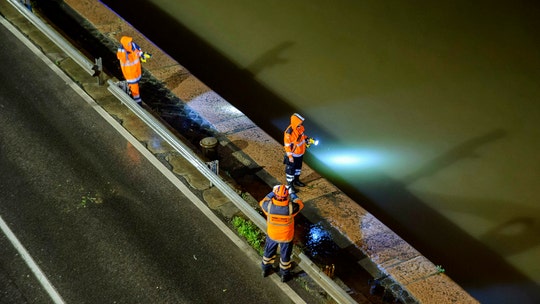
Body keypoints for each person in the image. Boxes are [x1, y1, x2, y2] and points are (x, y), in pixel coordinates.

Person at [260, 184, 304, 282]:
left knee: (268, 252)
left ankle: (265, 270)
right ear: (286, 196)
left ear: (275, 195)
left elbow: (262, 201)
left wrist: (272, 192)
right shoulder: (291, 208)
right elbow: (300, 204)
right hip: (286, 237)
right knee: (285, 256)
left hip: (272, 235)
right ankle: (284, 275)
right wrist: (293, 194)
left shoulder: (268, 206)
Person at [116, 36, 150, 104]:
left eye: (130, 42)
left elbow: (137, 52)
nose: (130, 43)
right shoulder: (123, 53)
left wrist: (142, 54)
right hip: (130, 74)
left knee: (135, 86)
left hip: (136, 71)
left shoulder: (133, 46)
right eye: (128, 43)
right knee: (134, 88)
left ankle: (129, 90)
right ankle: (138, 102)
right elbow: (123, 57)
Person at [283, 113, 309, 193]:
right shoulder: (289, 133)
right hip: (293, 155)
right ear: (295, 122)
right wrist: (290, 156)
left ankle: (296, 181)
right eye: (299, 123)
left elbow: (302, 137)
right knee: (290, 171)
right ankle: (290, 185)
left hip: (300, 153)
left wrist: (307, 139)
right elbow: (287, 146)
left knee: (298, 168)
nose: (301, 124)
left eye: (301, 123)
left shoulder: (300, 128)